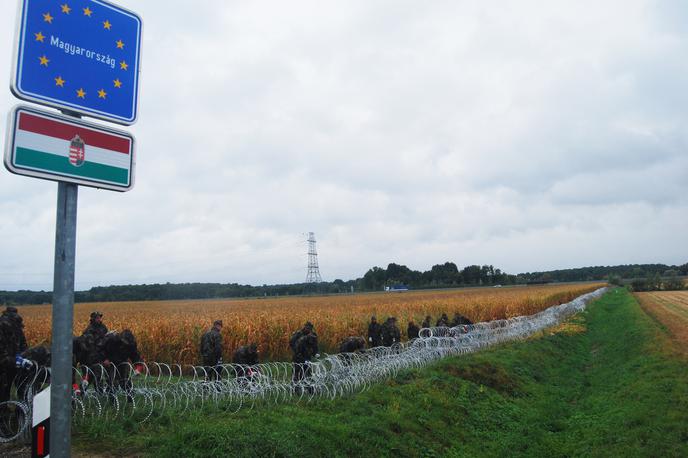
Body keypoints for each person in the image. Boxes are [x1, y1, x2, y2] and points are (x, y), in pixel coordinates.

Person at [99, 329, 144, 400]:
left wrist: (138, 368)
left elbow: (135, 356)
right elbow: (100, 349)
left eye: (127, 344)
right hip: (110, 362)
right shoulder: (111, 340)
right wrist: (105, 359)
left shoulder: (131, 344)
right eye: (124, 343)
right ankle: (112, 400)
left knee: (125, 379)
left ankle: (130, 399)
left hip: (122, 361)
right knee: (112, 380)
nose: (125, 345)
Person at [0, 307, 29, 409]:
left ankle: (22, 413)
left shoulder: (16, 326)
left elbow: (23, 345)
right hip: (4, 366)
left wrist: (23, 357)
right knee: (3, 393)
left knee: (21, 390)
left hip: (15, 364)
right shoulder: (4, 324)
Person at [291, 323, 318, 391]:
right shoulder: (298, 334)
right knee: (297, 373)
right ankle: (296, 389)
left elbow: (314, 345)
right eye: (307, 328)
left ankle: (310, 389)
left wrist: (315, 353)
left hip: (307, 356)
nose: (308, 330)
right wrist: (298, 353)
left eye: (310, 329)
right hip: (298, 357)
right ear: (304, 327)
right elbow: (292, 343)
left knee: (308, 373)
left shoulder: (312, 335)